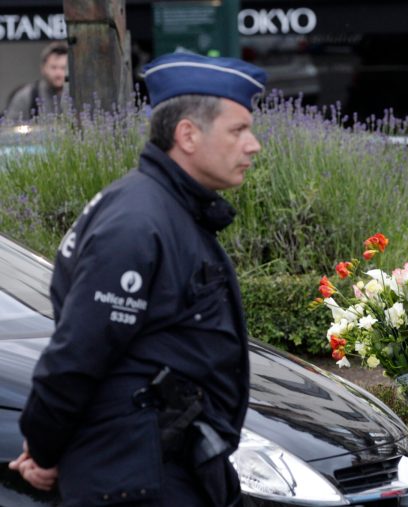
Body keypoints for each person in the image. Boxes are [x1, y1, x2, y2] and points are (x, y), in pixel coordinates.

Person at [8, 52, 266, 506]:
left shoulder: (166, 210)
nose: (253, 145)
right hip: (134, 478)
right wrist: (44, 448)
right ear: (187, 134)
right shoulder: (139, 220)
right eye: (238, 130)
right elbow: (77, 353)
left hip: (157, 468)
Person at [5, 41, 68, 121]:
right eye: (53, 67)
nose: (58, 73)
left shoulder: (78, 96)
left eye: (63, 68)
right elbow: (9, 127)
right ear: (43, 68)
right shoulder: (26, 96)